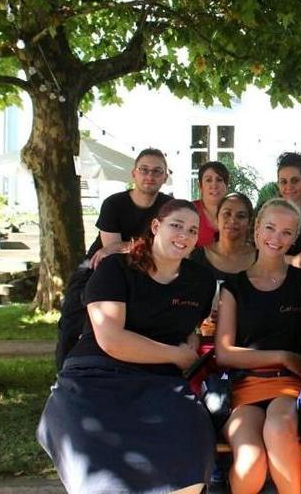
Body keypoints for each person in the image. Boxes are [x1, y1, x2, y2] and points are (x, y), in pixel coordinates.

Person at [38, 199, 217, 493]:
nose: (184, 235)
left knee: (190, 447)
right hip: (95, 376)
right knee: (101, 467)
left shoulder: (201, 281)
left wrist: (191, 342)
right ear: (156, 226)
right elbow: (112, 340)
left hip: (160, 382)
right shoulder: (116, 268)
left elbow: (190, 328)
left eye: (192, 230)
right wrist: (176, 355)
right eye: (176, 225)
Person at [215, 198, 301, 494]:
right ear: (256, 229)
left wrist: (300, 360)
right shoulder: (234, 287)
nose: (276, 238)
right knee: (250, 461)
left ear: (294, 238)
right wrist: (281, 356)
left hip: (290, 386)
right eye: (270, 228)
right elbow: (224, 353)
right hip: (245, 387)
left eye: (286, 232)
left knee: (278, 428)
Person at [55, 148, 172, 369]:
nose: (150, 176)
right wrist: (147, 246)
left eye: (157, 171)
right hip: (98, 267)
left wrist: (128, 246)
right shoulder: (114, 204)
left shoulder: (169, 207)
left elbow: (167, 245)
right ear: (134, 173)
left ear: (165, 177)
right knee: (73, 319)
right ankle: (64, 371)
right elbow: (111, 252)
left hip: (146, 271)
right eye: (144, 170)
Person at [189, 192, 256, 281]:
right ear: (217, 219)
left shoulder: (260, 259)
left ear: (249, 222)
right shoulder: (197, 258)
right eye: (227, 214)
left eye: (241, 216)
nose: (232, 220)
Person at [193, 161, 230, 248]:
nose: (214, 185)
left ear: (226, 185)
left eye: (219, 180)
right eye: (208, 180)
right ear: (200, 186)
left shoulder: (236, 211)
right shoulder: (190, 210)